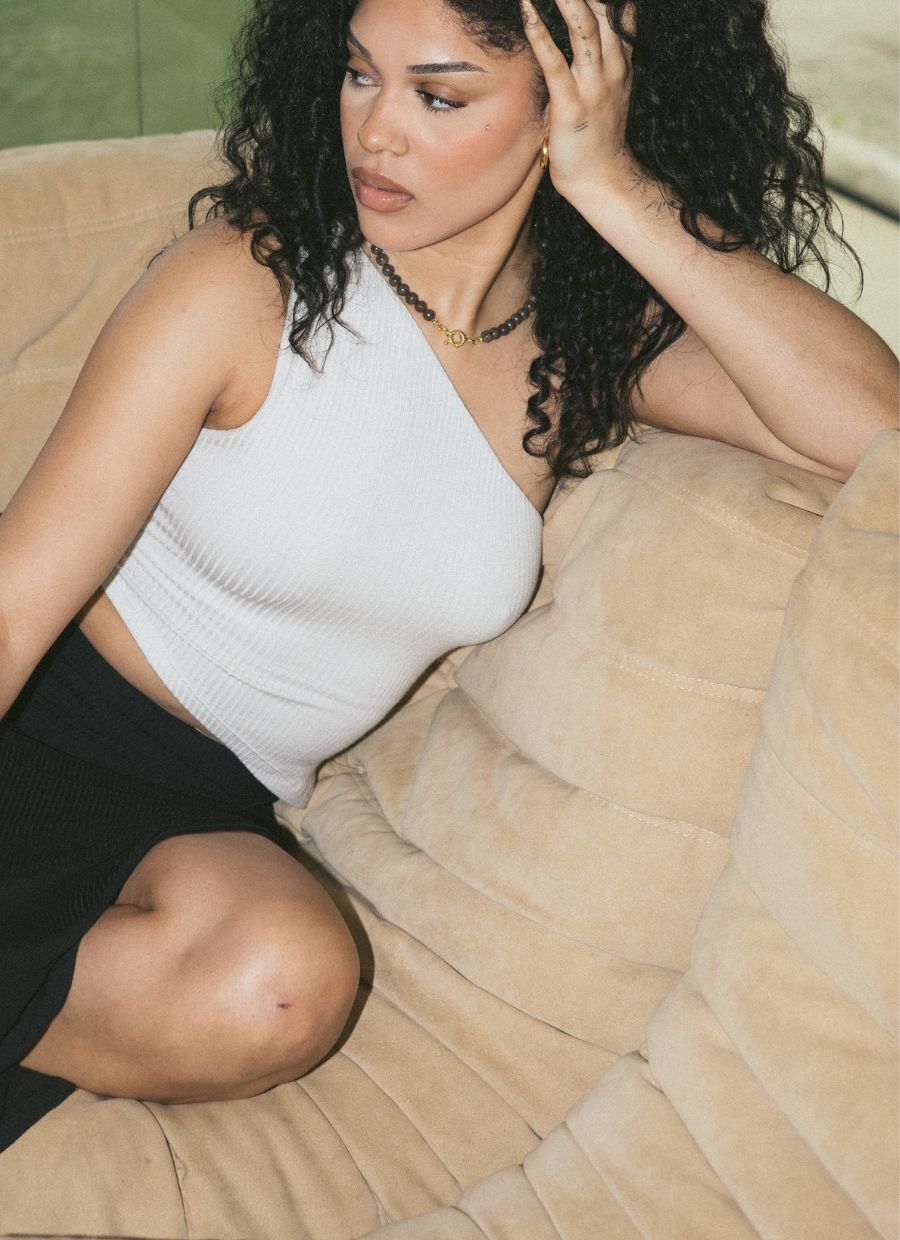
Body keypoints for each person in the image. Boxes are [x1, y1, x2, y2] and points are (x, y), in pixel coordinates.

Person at [0, 0, 896, 1153]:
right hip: (37, 722)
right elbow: (13, 606)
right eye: (358, 73)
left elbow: (872, 427)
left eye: (438, 95)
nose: (374, 132)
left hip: (200, 814)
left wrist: (615, 186)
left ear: (569, 102)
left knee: (281, 987)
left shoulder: (578, 348)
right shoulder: (250, 280)